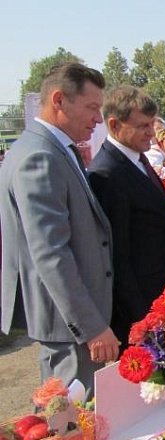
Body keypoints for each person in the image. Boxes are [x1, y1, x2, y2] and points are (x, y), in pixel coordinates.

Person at [0, 63, 119, 393]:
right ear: (59, 100)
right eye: (92, 107)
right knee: (73, 417)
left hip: (72, 321)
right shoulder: (40, 157)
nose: (98, 119)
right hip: (70, 327)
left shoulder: (53, 149)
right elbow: (51, 253)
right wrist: (91, 326)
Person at [87, 86, 165, 350]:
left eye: (152, 124)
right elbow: (116, 256)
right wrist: (141, 319)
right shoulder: (107, 174)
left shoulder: (137, 159)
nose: (152, 132)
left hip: (163, 292)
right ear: (115, 125)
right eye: (142, 126)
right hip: (142, 306)